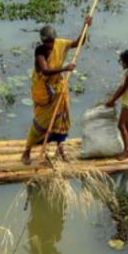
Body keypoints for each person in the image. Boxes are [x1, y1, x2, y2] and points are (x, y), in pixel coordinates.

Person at [21, 17, 90, 165]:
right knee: (40, 122)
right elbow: (45, 71)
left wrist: (86, 27)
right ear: (42, 41)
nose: (50, 45)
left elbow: (78, 43)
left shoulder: (60, 44)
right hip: (44, 91)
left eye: (51, 41)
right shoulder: (40, 52)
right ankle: (26, 151)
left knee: (61, 118)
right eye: (47, 42)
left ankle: (60, 150)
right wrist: (65, 68)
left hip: (58, 87)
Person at [105, 49, 128, 161]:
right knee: (127, 124)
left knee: (121, 125)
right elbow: (121, 87)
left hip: (127, 103)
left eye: (123, 61)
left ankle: (127, 151)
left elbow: (123, 90)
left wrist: (112, 100)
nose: (121, 63)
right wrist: (113, 97)